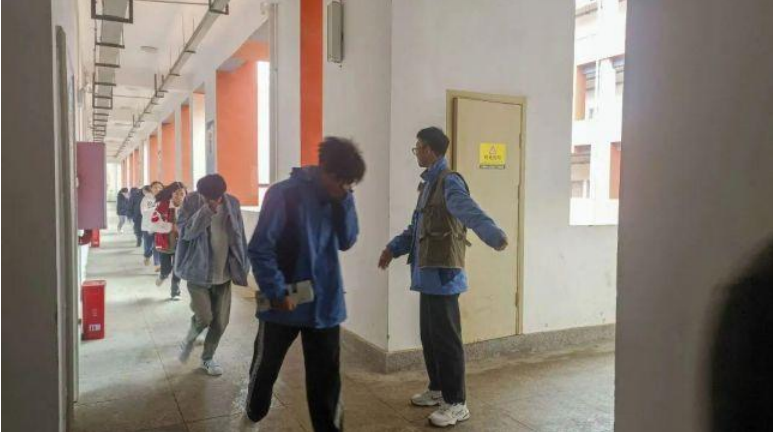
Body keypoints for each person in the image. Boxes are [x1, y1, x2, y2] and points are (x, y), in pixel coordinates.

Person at [377, 127, 508, 427]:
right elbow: (415, 229)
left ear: (430, 150)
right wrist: (392, 249)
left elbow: (470, 212)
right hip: (427, 276)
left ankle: (457, 403)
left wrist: (494, 236)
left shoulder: (449, 182)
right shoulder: (428, 185)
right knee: (430, 337)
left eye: (418, 148)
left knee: (447, 341)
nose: (416, 153)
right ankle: (437, 389)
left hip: (444, 276)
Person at [245, 137, 365, 432]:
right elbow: (260, 248)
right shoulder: (283, 194)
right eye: (342, 182)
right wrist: (275, 290)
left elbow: (348, 240)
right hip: (284, 300)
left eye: (350, 184)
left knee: (327, 381)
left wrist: (344, 202)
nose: (345, 188)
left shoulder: (341, 196)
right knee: (266, 367)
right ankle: (253, 411)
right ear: (325, 169)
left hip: (326, 303)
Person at [175, 174, 250, 376]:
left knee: (220, 322)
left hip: (223, 272)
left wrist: (243, 263)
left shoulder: (232, 203)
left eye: (216, 197)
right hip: (197, 272)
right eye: (207, 197)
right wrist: (206, 210)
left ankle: (207, 358)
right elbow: (185, 233)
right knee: (204, 317)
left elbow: (239, 234)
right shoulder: (191, 201)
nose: (212, 200)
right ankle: (189, 339)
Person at [150, 182, 187, 300]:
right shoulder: (162, 206)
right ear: (171, 194)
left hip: (181, 244)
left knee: (177, 268)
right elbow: (154, 224)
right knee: (166, 269)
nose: (179, 196)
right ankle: (163, 275)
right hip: (164, 243)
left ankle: (175, 292)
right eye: (176, 193)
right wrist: (171, 227)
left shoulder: (188, 207)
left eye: (182, 194)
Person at [141, 182, 164, 270]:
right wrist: (156, 210)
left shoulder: (164, 199)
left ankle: (157, 264)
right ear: (151, 188)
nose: (157, 189)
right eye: (155, 187)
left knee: (156, 245)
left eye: (160, 187)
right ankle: (147, 255)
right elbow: (144, 212)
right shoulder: (146, 199)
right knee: (148, 245)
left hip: (159, 227)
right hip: (148, 226)